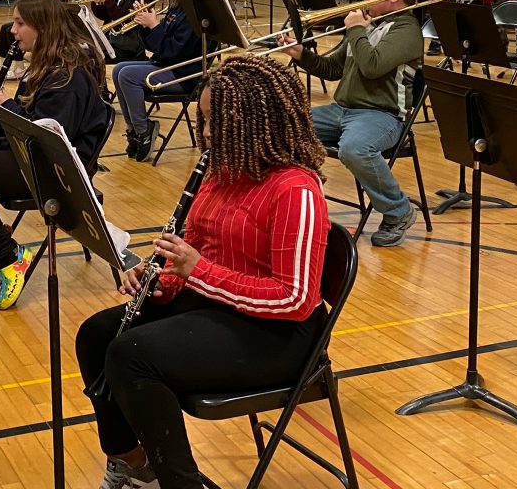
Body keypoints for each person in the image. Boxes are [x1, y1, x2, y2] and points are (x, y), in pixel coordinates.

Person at [76, 55, 330, 489]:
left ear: (254, 123)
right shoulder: (221, 174)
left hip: (280, 335)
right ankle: (132, 461)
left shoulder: (295, 189)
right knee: (97, 334)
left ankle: (179, 482)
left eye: (216, 123)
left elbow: (295, 298)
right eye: (204, 120)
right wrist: (161, 283)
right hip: (218, 307)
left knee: (130, 354)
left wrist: (199, 272)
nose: (207, 133)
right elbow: (193, 255)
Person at [0, 0, 108, 310]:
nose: (12, 31)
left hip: (58, 169)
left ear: (42, 27)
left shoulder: (68, 76)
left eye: (19, 23)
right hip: (32, 155)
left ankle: (8, 256)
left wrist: (8, 107)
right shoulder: (44, 65)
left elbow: (50, 136)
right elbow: (28, 118)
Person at [280, 0, 422, 247]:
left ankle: (398, 211)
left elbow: (372, 66)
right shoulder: (368, 24)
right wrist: (301, 55)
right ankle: (297, 200)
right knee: (283, 125)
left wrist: (356, 29)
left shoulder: (407, 31)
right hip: (341, 110)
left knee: (354, 149)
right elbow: (333, 69)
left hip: (383, 116)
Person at [112, 0, 209, 163]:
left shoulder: (196, 15)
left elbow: (173, 51)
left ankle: (143, 130)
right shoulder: (177, 8)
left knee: (128, 75)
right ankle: (135, 130)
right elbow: (156, 47)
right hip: (165, 64)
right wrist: (144, 24)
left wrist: (155, 25)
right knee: (118, 69)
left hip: (182, 74)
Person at [90, 0, 158, 62]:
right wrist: (97, 0)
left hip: (125, 49)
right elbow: (105, 16)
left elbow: (123, 22)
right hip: (112, 40)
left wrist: (107, 0)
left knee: (88, 56)